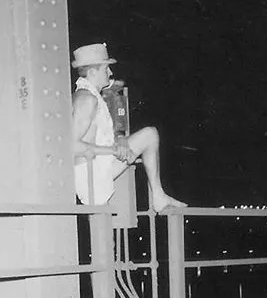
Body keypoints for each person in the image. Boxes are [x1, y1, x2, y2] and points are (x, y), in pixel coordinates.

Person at [71, 43, 186, 213]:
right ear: (92, 72)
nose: (110, 73)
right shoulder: (86, 100)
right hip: (90, 175)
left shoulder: (91, 94)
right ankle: (158, 196)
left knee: (150, 135)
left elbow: (116, 87)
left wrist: (120, 141)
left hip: (100, 166)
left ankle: (159, 196)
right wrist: (114, 150)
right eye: (106, 69)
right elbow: (71, 146)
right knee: (150, 135)